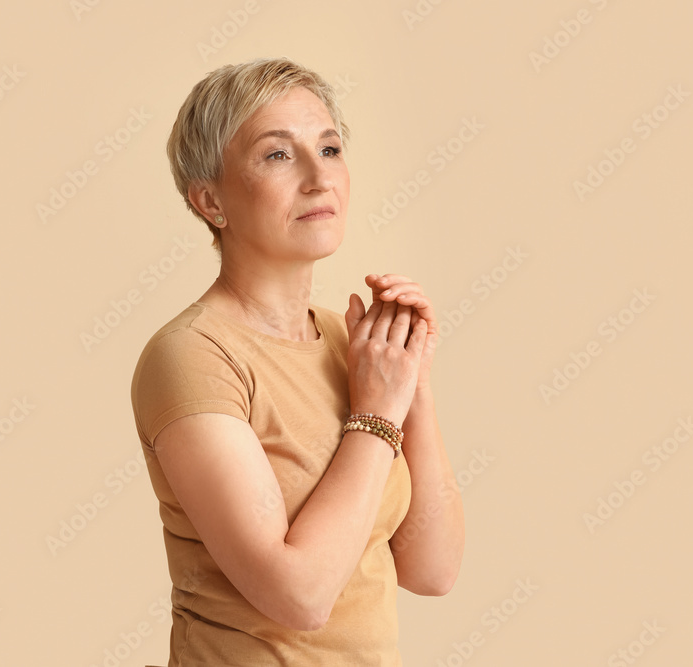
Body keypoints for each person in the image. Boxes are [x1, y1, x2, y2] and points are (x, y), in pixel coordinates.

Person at [130, 56, 464, 666]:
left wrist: (413, 388)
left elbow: (432, 570)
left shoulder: (353, 345)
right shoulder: (191, 356)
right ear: (211, 201)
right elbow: (298, 595)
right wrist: (378, 411)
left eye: (330, 148)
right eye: (278, 155)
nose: (319, 177)